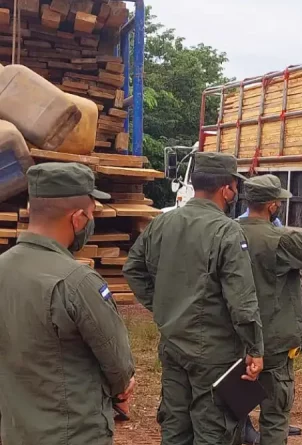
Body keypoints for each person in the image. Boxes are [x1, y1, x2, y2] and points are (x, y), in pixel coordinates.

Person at [123, 152, 264, 445]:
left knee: (174, 426)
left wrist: (162, 305)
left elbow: (133, 268)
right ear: (227, 188)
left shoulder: (162, 223)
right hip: (214, 352)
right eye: (235, 186)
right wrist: (254, 347)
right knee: (212, 429)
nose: (236, 192)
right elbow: (242, 299)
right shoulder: (227, 230)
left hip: (173, 344)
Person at [0, 163, 136, 445]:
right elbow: (119, 367)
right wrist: (122, 388)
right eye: (91, 214)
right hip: (74, 433)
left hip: (15, 431)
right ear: (77, 219)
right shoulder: (78, 282)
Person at [237, 175, 302, 445]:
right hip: (273, 343)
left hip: (234, 341)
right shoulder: (279, 239)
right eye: (278, 201)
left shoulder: (227, 232)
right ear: (272, 206)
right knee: (274, 414)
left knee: (233, 410)